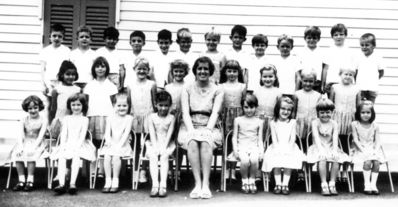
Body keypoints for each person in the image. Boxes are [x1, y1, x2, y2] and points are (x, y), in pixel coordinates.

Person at [178, 56, 224, 199]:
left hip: (210, 125)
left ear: (210, 71)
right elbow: (185, 112)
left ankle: (206, 184)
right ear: (195, 71)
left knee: (205, 141)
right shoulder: (187, 88)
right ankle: (197, 183)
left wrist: (208, 130)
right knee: (192, 141)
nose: (202, 71)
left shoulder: (218, 90)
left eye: (206, 69)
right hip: (189, 124)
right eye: (200, 69)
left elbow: (216, 112)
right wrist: (191, 130)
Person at [52, 93, 96, 195]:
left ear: (83, 106)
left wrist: (77, 146)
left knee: (76, 156)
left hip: (80, 144)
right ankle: (61, 184)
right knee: (62, 157)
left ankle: (72, 183)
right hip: (67, 143)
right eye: (73, 105)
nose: (76, 107)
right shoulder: (67, 118)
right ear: (70, 106)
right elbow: (64, 133)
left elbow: (82, 134)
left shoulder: (85, 119)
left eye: (78, 105)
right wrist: (63, 145)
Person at [262, 96, 304, 195]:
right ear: (278, 109)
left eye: (289, 110)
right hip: (276, 146)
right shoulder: (273, 122)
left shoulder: (292, 122)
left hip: (290, 146)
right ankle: (278, 183)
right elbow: (274, 138)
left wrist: (289, 148)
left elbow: (293, 138)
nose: (286, 112)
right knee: (276, 162)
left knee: (288, 162)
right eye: (283, 109)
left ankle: (285, 184)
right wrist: (277, 149)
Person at [307, 98, 350, 196]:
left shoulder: (334, 123)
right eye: (322, 112)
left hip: (330, 146)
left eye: (328, 112)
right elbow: (316, 137)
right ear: (318, 113)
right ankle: (324, 183)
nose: (325, 115)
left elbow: (335, 138)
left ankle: (332, 183)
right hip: (318, 147)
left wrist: (335, 150)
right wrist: (321, 150)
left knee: (336, 158)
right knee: (322, 158)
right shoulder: (315, 122)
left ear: (332, 112)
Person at [84, 57, 118, 178]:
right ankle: (91, 170)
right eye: (97, 66)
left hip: (106, 117)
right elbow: (85, 102)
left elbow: (115, 103)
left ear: (107, 68)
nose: (100, 69)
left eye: (103, 66)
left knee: (104, 144)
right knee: (92, 143)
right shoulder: (89, 85)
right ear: (94, 69)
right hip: (92, 116)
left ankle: (102, 170)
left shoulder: (111, 86)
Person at [126, 57, 156, 183]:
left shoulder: (152, 85)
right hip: (135, 118)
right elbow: (128, 103)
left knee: (146, 144)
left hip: (148, 117)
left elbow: (154, 103)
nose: (142, 71)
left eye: (144, 69)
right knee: (136, 145)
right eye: (139, 69)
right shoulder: (130, 85)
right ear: (134, 69)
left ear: (148, 70)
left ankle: (144, 170)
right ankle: (135, 169)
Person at [11, 95, 48, 191]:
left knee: (30, 154)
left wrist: (34, 147)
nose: (33, 110)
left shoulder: (43, 119)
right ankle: (21, 180)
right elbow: (20, 134)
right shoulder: (24, 119)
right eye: (30, 108)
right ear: (26, 109)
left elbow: (41, 136)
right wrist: (20, 146)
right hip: (25, 142)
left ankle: (30, 180)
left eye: (35, 108)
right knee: (18, 154)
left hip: (38, 143)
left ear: (39, 107)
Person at [330, 68, 360, 182]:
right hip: (337, 118)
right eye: (345, 74)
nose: (347, 76)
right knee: (337, 143)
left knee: (347, 144)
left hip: (350, 118)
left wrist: (356, 122)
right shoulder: (335, 87)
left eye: (350, 75)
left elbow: (358, 106)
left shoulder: (356, 89)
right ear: (340, 74)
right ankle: (336, 170)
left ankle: (345, 171)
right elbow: (331, 104)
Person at [100, 93, 133, 193]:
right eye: (119, 105)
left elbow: (126, 134)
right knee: (107, 156)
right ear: (114, 106)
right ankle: (108, 180)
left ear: (128, 106)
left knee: (116, 156)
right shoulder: (110, 118)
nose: (121, 108)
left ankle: (115, 181)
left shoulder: (129, 118)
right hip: (111, 143)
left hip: (123, 145)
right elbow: (107, 133)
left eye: (124, 105)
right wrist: (109, 142)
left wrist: (119, 145)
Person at [219, 60, 246, 180]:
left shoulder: (242, 86)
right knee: (226, 142)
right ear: (225, 72)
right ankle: (225, 169)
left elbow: (244, 102)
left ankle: (233, 170)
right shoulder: (221, 86)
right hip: (225, 115)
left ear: (238, 72)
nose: (232, 73)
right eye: (229, 71)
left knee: (235, 142)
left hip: (238, 115)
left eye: (234, 71)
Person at [231, 94, 263, 194]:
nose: (249, 110)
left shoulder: (259, 121)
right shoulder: (238, 120)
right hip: (242, 147)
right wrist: (235, 150)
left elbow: (260, 139)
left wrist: (261, 151)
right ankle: (244, 180)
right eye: (246, 107)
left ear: (256, 107)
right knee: (244, 160)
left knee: (254, 160)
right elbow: (234, 137)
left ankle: (252, 180)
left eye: (252, 107)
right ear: (242, 107)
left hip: (254, 147)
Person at [351, 101, 384, 195]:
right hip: (359, 148)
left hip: (372, 148)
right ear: (358, 113)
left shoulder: (375, 125)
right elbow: (355, 140)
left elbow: (378, 141)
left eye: (368, 112)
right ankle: (367, 184)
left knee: (376, 162)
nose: (366, 115)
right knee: (368, 161)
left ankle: (373, 185)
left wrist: (376, 150)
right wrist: (363, 150)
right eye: (363, 112)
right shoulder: (355, 124)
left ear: (372, 113)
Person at [147, 91, 176, 198]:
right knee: (153, 156)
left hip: (167, 143)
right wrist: (155, 147)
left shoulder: (171, 118)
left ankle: (163, 185)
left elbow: (170, 133)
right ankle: (155, 185)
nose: (163, 108)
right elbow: (152, 133)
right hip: (154, 142)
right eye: (161, 105)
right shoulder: (152, 117)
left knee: (164, 155)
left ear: (170, 105)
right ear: (156, 105)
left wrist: (163, 147)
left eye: (166, 105)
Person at [49, 60, 81, 139]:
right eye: (68, 74)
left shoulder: (78, 90)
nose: (70, 77)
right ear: (62, 75)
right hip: (60, 119)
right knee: (60, 139)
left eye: (73, 74)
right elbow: (53, 109)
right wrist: (51, 123)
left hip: (74, 120)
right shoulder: (57, 90)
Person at [323, 23, 355, 96]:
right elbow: (325, 69)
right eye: (336, 35)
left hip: (345, 82)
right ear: (332, 37)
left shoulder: (350, 51)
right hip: (331, 82)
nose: (338, 37)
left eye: (341, 34)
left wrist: (353, 83)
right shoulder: (328, 51)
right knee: (332, 105)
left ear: (345, 35)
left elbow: (353, 70)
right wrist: (323, 84)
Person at [40, 23, 70, 97]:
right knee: (49, 105)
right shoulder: (45, 51)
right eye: (54, 36)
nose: (56, 38)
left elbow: (68, 69)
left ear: (63, 38)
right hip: (48, 82)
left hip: (62, 82)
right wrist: (43, 85)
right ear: (50, 37)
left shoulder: (67, 51)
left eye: (59, 36)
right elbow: (42, 70)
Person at [354, 33, 385, 103]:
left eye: (367, 45)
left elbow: (381, 72)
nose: (364, 47)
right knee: (360, 107)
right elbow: (355, 72)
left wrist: (374, 79)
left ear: (374, 46)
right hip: (360, 88)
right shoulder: (358, 57)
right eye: (362, 45)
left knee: (370, 108)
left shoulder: (378, 57)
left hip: (372, 88)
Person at [253, 64, 281, 140]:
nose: (267, 79)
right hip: (258, 120)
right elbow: (253, 106)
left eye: (270, 76)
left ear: (275, 78)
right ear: (261, 78)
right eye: (265, 76)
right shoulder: (257, 91)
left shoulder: (278, 92)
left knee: (270, 139)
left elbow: (279, 109)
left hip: (271, 121)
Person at [295, 69, 322, 142]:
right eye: (305, 81)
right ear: (301, 80)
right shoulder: (297, 94)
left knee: (311, 139)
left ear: (315, 82)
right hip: (300, 122)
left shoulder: (318, 95)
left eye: (310, 81)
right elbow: (294, 111)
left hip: (313, 122)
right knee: (300, 140)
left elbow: (319, 111)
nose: (308, 84)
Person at [297, 26, 325, 93]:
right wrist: (300, 81)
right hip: (304, 82)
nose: (311, 40)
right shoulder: (300, 52)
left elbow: (324, 69)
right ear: (305, 38)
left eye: (314, 38)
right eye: (309, 38)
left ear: (318, 39)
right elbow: (297, 69)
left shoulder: (322, 52)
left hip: (317, 82)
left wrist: (323, 84)